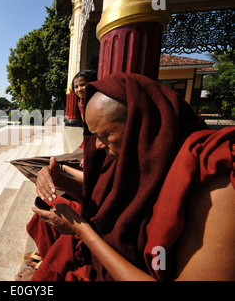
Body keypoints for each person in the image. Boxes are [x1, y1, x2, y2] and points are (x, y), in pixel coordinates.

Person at [15, 72, 235, 281]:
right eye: (94, 135)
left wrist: (81, 231)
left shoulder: (215, 176)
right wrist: (59, 177)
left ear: (140, 125)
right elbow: (106, 197)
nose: (98, 145)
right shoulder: (135, 150)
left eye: (105, 135)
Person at [10, 70, 97, 185]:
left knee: (54, 164)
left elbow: (97, 132)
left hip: (95, 145)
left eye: (83, 84)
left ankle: (61, 177)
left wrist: (88, 155)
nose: (79, 89)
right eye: (76, 87)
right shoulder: (81, 103)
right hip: (86, 143)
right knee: (41, 163)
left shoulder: (97, 102)